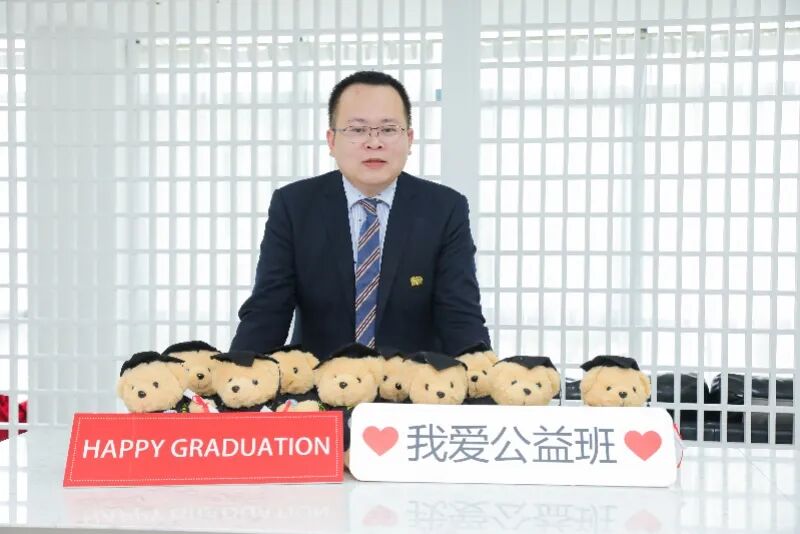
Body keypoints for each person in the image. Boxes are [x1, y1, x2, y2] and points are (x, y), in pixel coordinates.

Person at [230, 70, 490, 360]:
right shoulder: (295, 205)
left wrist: (483, 373)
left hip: (414, 381)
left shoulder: (444, 208)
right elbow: (268, 310)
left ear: (409, 139)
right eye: (357, 130)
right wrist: (238, 370)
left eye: (388, 129)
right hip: (320, 379)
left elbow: (460, 315)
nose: (373, 142)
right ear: (331, 141)